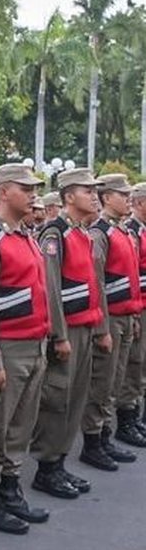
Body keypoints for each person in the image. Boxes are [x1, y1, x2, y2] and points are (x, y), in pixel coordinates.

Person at [0, 163, 50, 535]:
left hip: (34, 345)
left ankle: (10, 488)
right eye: (25, 187)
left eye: (35, 188)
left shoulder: (26, 236)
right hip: (8, 347)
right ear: (3, 192)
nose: (33, 193)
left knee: (20, 426)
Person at [31, 169, 104, 498]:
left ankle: (59, 462)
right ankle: (46, 467)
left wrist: (98, 324)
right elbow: (51, 288)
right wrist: (58, 335)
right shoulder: (54, 233)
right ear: (69, 196)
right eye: (87, 191)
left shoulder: (82, 233)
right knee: (57, 399)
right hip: (68, 331)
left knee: (75, 398)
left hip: (84, 326)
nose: (94, 196)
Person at [81, 174, 143, 471]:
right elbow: (97, 283)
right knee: (103, 381)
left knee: (117, 377)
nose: (127, 199)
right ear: (107, 198)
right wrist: (103, 327)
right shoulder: (100, 233)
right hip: (110, 317)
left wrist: (132, 315)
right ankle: (94, 440)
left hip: (125, 314)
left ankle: (107, 434)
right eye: (122, 194)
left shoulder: (121, 231)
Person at [119, 183, 146, 433]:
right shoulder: (131, 231)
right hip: (135, 306)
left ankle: (136, 413)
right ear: (140, 203)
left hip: (140, 304)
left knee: (142, 362)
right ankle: (127, 418)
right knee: (134, 363)